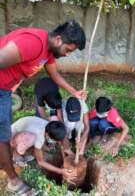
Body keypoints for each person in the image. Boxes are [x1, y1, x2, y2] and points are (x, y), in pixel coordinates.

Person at [0, 19, 86, 194]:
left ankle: (7, 170)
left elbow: (54, 74)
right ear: (59, 39)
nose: (68, 54)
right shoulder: (33, 43)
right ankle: (13, 180)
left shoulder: (48, 52)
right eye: (68, 50)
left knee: (3, 133)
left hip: (5, 90)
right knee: (2, 135)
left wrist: (74, 91)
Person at [10, 116, 76, 179]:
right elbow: (40, 162)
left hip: (25, 130)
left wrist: (67, 153)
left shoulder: (51, 126)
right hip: (11, 138)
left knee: (34, 141)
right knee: (32, 139)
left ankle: (28, 149)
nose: (55, 142)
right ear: (47, 134)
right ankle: (16, 155)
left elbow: (61, 141)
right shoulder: (39, 136)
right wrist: (60, 171)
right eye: (54, 140)